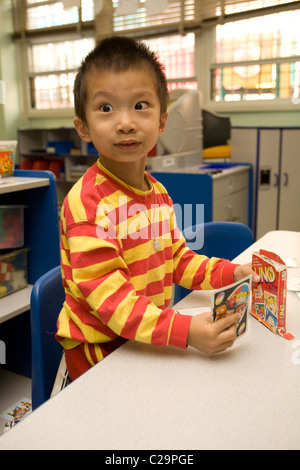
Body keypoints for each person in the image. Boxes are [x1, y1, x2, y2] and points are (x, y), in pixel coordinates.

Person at [56, 36, 259, 381]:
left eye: (140, 105)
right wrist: (187, 331)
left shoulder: (158, 193)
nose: (125, 123)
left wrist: (230, 273)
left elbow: (177, 259)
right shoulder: (88, 204)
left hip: (145, 336)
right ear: (84, 128)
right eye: (106, 108)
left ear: (162, 122)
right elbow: (114, 305)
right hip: (100, 354)